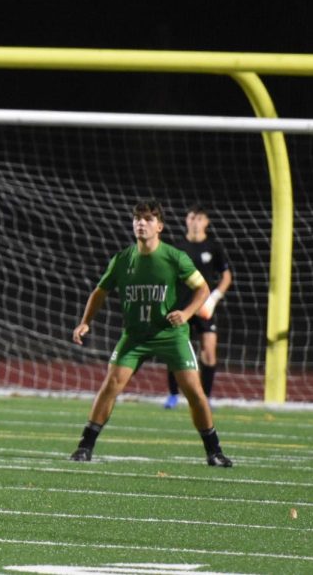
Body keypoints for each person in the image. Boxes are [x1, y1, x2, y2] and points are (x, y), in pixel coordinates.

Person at [70, 199, 233, 467]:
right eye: (137, 219)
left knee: (194, 390)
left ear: (160, 226)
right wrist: (85, 321)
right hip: (134, 336)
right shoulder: (123, 259)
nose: (141, 223)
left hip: (170, 334)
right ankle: (85, 447)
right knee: (110, 386)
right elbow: (99, 291)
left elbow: (203, 289)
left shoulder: (174, 257)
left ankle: (214, 452)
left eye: (147, 219)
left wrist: (187, 313)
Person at [164, 204, 233, 408]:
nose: (195, 222)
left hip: (204, 307)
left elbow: (226, 277)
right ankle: (173, 395)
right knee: (175, 351)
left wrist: (213, 299)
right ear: (186, 220)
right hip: (181, 307)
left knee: (209, 351)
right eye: (192, 217)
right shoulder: (177, 248)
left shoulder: (213, 247)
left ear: (206, 222)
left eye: (200, 218)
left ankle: (206, 397)